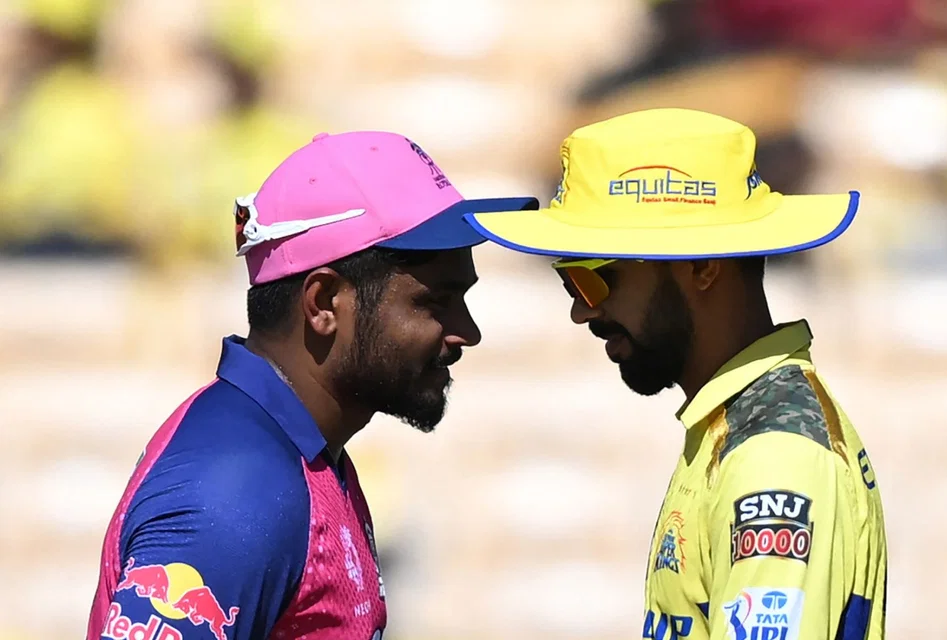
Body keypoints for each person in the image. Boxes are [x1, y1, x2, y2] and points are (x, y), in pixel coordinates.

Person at [86, 131, 537, 640]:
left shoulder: (298, 455)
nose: (467, 332)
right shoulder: (234, 491)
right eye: (435, 303)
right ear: (323, 303)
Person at [464, 108, 887, 640]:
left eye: (595, 279)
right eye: (569, 281)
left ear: (703, 267)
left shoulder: (774, 454)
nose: (582, 310)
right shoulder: (733, 428)